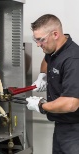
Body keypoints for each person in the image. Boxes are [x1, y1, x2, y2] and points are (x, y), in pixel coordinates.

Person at [26, 14, 79, 154]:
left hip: (75, 130)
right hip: (61, 125)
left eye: (40, 40)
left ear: (55, 34)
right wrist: (42, 76)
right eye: (35, 39)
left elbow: (71, 103)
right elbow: (47, 59)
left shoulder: (73, 59)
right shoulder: (54, 49)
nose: (38, 44)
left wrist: (41, 106)